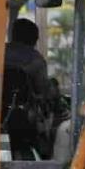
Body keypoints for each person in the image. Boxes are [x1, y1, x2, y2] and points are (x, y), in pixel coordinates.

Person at [4, 18, 55, 158]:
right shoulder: (36, 60)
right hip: (23, 122)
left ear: (12, 34)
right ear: (34, 40)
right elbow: (43, 92)